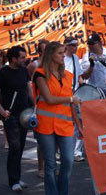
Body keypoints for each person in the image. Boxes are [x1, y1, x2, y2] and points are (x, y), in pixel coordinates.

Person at [33, 41, 82, 195]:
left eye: (63, 53)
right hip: (45, 125)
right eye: (60, 53)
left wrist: (79, 125)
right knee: (51, 164)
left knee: (68, 161)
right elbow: (49, 99)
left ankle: (63, 192)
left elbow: (72, 103)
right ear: (50, 55)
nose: (63, 56)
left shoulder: (68, 75)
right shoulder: (40, 74)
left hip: (65, 124)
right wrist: (70, 99)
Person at [0, 46, 33, 192]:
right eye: (22, 57)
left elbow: (30, 89)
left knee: (20, 146)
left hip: (24, 114)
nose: (25, 59)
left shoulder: (24, 70)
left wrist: (35, 107)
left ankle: (17, 177)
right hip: (11, 115)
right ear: (13, 59)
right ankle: (13, 180)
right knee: (14, 146)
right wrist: (2, 111)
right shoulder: (2, 73)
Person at [64, 37, 94, 162]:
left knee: (79, 122)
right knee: (67, 123)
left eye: (76, 45)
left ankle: (76, 151)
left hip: (76, 94)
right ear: (66, 45)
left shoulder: (76, 58)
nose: (75, 47)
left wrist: (91, 66)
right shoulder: (61, 59)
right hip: (65, 94)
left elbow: (81, 77)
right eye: (72, 45)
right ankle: (65, 149)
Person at [27, 39, 49, 178]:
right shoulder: (34, 65)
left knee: (54, 138)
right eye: (44, 50)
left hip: (52, 105)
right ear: (39, 52)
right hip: (39, 105)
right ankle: (41, 167)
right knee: (41, 139)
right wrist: (34, 103)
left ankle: (50, 166)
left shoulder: (54, 64)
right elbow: (30, 85)